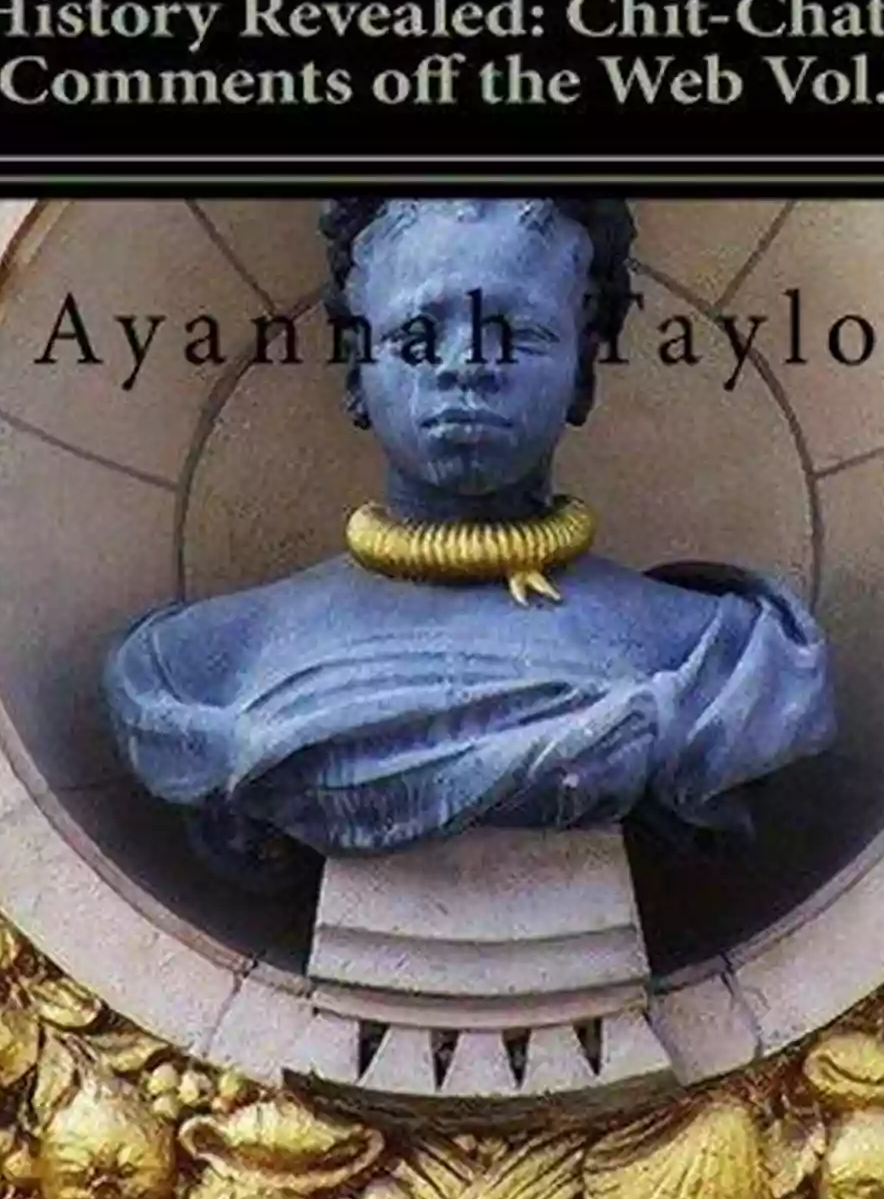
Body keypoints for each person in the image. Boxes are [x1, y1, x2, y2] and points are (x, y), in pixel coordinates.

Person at [103, 198, 835, 869]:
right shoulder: (195, 668)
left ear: (583, 371)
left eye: (519, 333)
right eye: (417, 333)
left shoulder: (726, 663)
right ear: (356, 370)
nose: (469, 364)